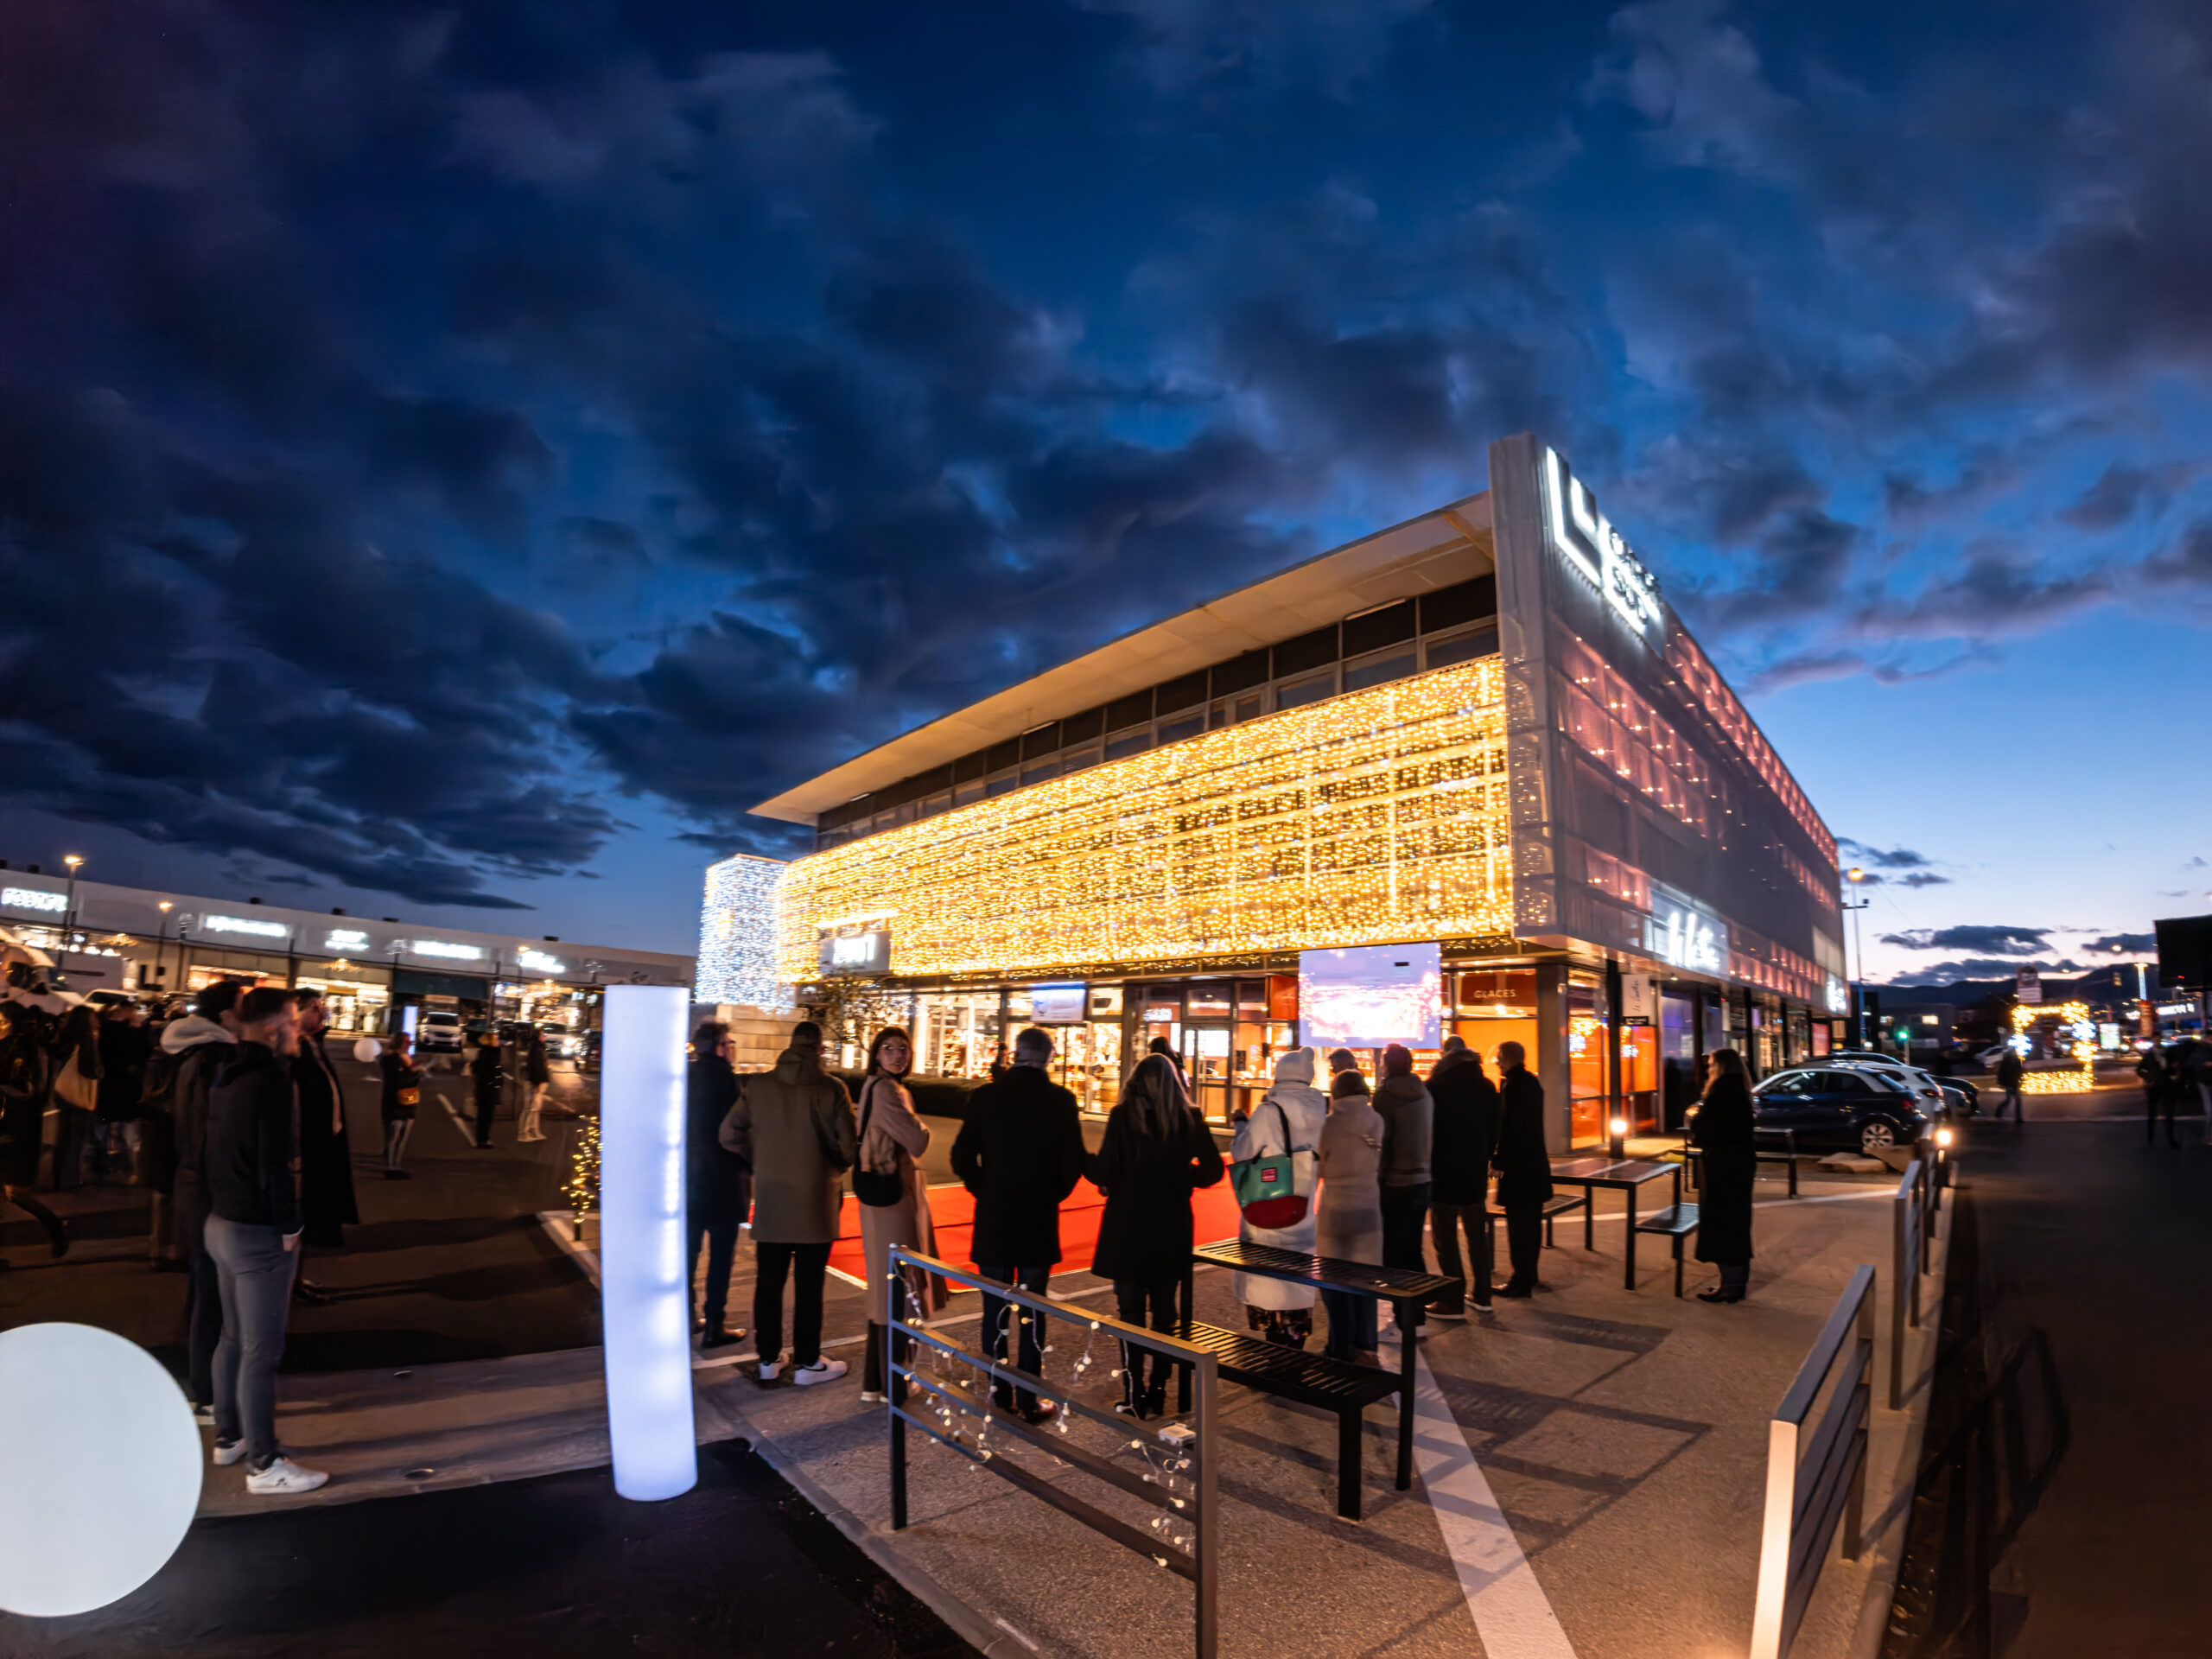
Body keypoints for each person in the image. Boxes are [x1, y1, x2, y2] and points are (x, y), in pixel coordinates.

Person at [204, 987, 328, 1494]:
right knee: (262, 1351)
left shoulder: (225, 1073)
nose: (298, 1030)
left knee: (232, 1338)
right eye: (294, 1021)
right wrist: (291, 1225)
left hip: (222, 1223)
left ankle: (229, 1437)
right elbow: (276, 1162)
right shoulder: (273, 1081)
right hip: (258, 1233)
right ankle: (265, 1465)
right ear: (274, 1027)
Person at [950, 1026, 1085, 1423]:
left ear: (1015, 1055)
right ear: (1047, 1057)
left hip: (995, 1215)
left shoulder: (986, 1097)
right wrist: (1053, 1194)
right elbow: (1073, 1159)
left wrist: (984, 1189)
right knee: (1031, 1307)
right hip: (1037, 1216)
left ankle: (997, 1389)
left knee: (994, 1305)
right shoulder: (1060, 1100)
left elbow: (962, 1155)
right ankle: (1028, 1397)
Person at [1089, 1053, 1225, 1417]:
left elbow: (1105, 1168)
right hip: (1170, 1225)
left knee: (1130, 1312)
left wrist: (1087, 1164)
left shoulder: (1122, 1118)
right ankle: (1160, 1390)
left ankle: (1133, 1394)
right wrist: (1181, 1179)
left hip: (1128, 1225)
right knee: (1166, 1312)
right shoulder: (1188, 1117)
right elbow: (1213, 1170)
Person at [721, 1020, 856, 1386]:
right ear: (820, 1049)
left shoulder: (759, 1086)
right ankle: (808, 1362)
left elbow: (727, 1133)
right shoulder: (832, 1089)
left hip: (773, 1198)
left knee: (769, 1281)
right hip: (816, 1202)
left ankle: (768, 1358)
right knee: (810, 1285)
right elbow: (847, 1149)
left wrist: (758, 1157)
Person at [164, 980, 245, 1421]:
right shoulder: (215, 1059)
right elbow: (211, 1132)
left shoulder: (191, 1052)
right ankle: (209, 1395)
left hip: (193, 1183)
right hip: (209, 1188)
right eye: (241, 1007)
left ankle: (206, 1387)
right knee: (212, 1293)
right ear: (226, 1016)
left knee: (204, 1289)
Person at [856, 1026, 940, 1403]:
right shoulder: (889, 1090)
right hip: (893, 1198)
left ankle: (876, 1383)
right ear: (876, 1055)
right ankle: (896, 1383)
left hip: (880, 1196)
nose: (897, 1055)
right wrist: (920, 1126)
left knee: (885, 1287)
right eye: (888, 1049)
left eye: (903, 1049)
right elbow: (917, 1140)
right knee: (898, 1288)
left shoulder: (873, 1086)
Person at [1230, 1048, 1325, 1347]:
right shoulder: (1321, 1110)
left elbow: (1242, 1152)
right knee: (1298, 1274)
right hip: (1303, 1206)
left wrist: (1241, 1125)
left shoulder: (1269, 1111)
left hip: (1270, 1205)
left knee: (1269, 1275)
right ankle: (1294, 1339)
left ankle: (1275, 1346)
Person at [685, 1020, 752, 1352]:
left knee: (688, 1255)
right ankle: (714, 1325)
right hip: (724, 1182)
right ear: (719, 1046)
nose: (731, 1048)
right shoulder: (727, 1080)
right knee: (721, 1259)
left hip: (689, 1181)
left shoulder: (685, 1076)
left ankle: (686, 1317)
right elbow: (738, 1131)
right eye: (728, 1042)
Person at [1427, 1037, 1501, 1318]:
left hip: (1443, 1173)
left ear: (1445, 1056)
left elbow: (1428, 1132)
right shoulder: (1486, 1086)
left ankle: (1452, 1301)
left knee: (1445, 1237)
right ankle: (1483, 1295)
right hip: (1474, 1174)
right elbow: (1496, 1127)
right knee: (1476, 1236)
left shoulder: (1435, 1087)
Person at [1316, 1068, 1385, 1363]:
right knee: (1366, 1279)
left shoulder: (1329, 1125)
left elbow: (1318, 1167)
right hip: (1369, 1209)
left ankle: (1339, 1346)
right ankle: (1366, 1342)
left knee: (1335, 1281)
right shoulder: (1376, 1120)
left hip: (1337, 1212)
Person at [291, 989, 356, 1300]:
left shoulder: (313, 1044)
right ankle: (289, 1285)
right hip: (306, 1149)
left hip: (325, 1145)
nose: (323, 1012)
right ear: (296, 1011)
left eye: (322, 1007)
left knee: (311, 1219)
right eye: (315, 1008)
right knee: (299, 1219)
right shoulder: (291, 1049)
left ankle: (296, 1280)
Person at [0, 999, 69, 1259]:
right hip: (19, 1126)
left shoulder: (17, 1049)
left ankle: (54, 1226)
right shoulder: (24, 1047)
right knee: (13, 1191)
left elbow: (23, 1091)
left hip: (15, 1128)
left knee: (16, 1192)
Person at [1372, 1043, 1433, 1320]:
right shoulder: (1424, 1093)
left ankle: (1406, 1314)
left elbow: (1383, 1142)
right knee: (1413, 1247)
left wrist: (1377, 1179)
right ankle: (1417, 1311)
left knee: (1394, 1251)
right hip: (1422, 1179)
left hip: (1395, 1183)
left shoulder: (1386, 1096)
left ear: (1388, 1066)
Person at [1690, 1047, 1756, 1304]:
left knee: (1723, 1223)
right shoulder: (1738, 1090)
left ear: (1721, 1067)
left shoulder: (1722, 1092)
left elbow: (1705, 1130)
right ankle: (1735, 1283)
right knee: (1736, 1222)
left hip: (1722, 1166)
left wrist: (1696, 1118)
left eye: (1712, 1064)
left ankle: (1730, 1285)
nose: (1708, 1068)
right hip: (1737, 1164)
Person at [1491, 1040, 1553, 1299]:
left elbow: (1510, 1129)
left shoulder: (1513, 1086)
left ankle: (1520, 1281)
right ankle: (1529, 1275)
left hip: (1519, 1170)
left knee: (1519, 1226)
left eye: (1498, 1057)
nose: (1496, 1062)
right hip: (1534, 1167)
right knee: (1531, 1224)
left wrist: (1498, 1160)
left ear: (1507, 1058)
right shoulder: (1531, 1083)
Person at [48, 1001, 103, 1189]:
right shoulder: (88, 1041)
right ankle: (72, 1180)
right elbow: (91, 1071)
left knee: (63, 1137)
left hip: (63, 1092)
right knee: (77, 1138)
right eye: (94, 1017)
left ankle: (57, 1178)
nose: (98, 1021)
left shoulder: (66, 1038)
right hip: (79, 1096)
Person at [95, 1002, 151, 1181]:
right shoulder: (134, 1033)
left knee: (108, 1128)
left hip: (108, 1085)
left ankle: (107, 1165)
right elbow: (143, 1055)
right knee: (129, 1131)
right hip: (129, 1087)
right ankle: (132, 1170)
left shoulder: (104, 1032)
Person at [378, 1030, 423, 1177]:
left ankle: (397, 1165)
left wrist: (413, 1069)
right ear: (399, 1043)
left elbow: (412, 1080)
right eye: (407, 1042)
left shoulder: (404, 1058)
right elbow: (398, 1080)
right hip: (395, 1103)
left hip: (408, 1102)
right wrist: (412, 1069)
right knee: (393, 1137)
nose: (410, 1044)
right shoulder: (391, 1059)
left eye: (410, 1042)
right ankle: (392, 1168)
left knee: (402, 1138)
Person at [468, 1027, 504, 1148]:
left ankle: (484, 1138)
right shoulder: (488, 1054)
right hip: (487, 1091)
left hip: (489, 1089)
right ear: (491, 1041)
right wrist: (490, 1084)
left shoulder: (490, 1053)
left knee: (487, 1116)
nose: (498, 1041)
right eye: (496, 1039)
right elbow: (483, 1071)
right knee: (485, 1116)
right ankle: (482, 1140)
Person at [517, 1027, 551, 1143]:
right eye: (543, 1034)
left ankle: (534, 1131)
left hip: (539, 1081)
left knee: (536, 1109)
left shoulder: (540, 1048)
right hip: (535, 1082)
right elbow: (534, 1067)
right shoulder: (536, 1049)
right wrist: (536, 1083)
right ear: (538, 1037)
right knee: (530, 1108)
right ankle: (523, 1133)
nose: (545, 1036)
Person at [1994, 1046, 2025, 1122]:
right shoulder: (2008, 1061)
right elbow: (2004, 1073)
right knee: (2013, 1100)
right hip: (2011, 1083)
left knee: (2012, 1100)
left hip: (2013, 1083)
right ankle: (2000, 1112)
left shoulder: (2012, 1060)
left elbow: (2019, 1071)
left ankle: (2017, 1117)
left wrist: (2020, 1078)